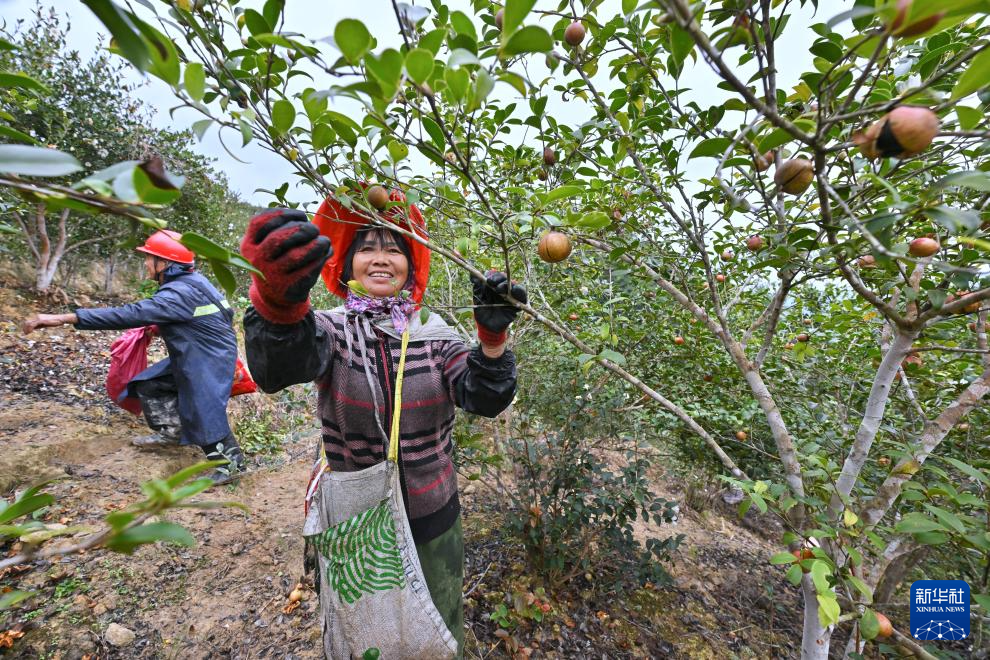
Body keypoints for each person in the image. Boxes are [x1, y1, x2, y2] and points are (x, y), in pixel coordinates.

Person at [239, 191, 526, 656]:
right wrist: (277, 304)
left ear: (411, 266)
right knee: (365, 633)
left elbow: (483, 396)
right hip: (357, 519)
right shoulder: (331, 329)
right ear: (347, 263)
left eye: (394, 248)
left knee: (434, 628)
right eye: (367, 247)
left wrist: (491, 342)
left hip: (431, 515)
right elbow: (279, 369)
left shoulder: (435, 334)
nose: (380, 258)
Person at [21, 229, 244, 486]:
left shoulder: (178, 293)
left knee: (204, 409)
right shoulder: (192, 282)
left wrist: (63, 318)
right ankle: (172, 432)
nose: (147, 263)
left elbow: (127, 313)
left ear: (166, 264)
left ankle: (233, 465)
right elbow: (213, 315)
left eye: (150, 258)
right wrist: (165, 327)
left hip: (208, 358)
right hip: (202, 352)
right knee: (150, 385)